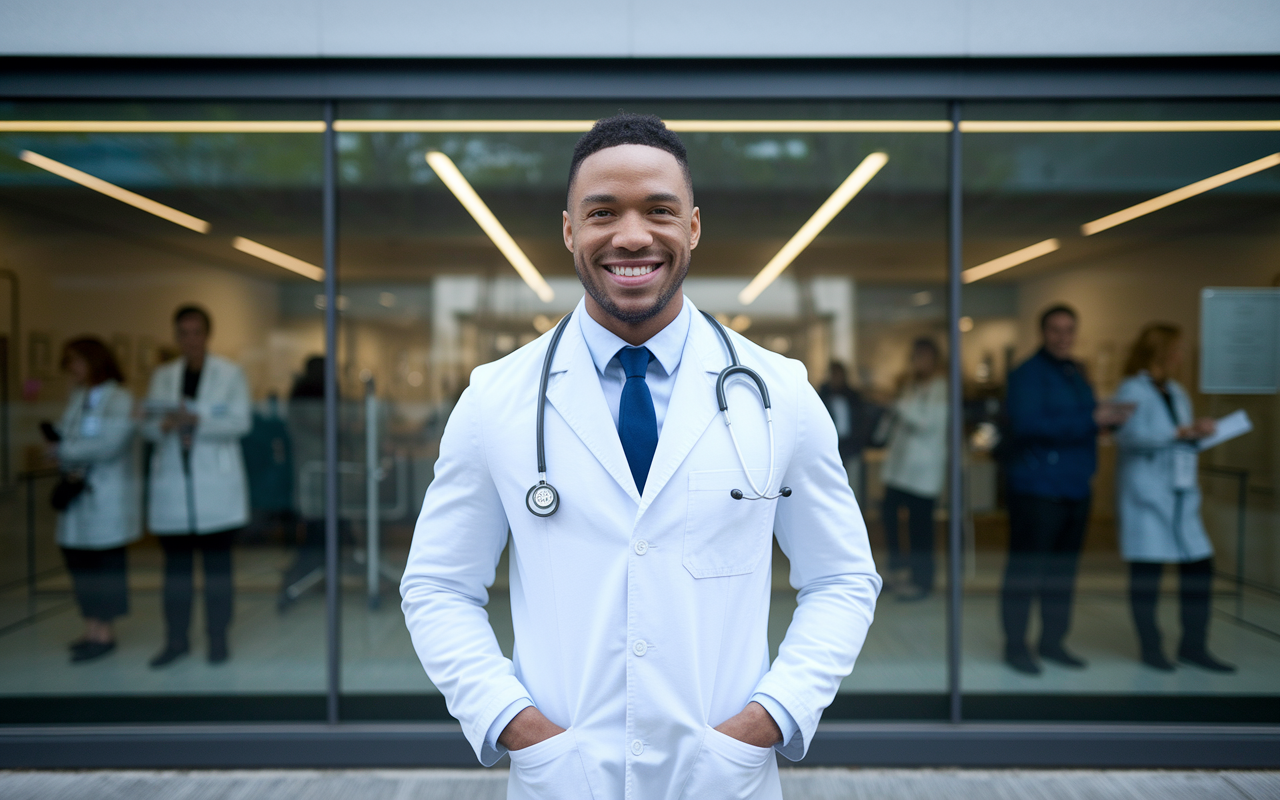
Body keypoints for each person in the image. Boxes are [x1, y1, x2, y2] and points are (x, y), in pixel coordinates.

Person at [400, 114, 880, 800]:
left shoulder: (780, 393)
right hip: (565, 773)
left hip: (720, 773)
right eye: (602, 212)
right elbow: (438, 586)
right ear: (569, 230)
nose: (631, 235)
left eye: (659, 210)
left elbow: (841, 578)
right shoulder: (494, 399)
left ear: (692, 227)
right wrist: (511, 721)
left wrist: (772, 716)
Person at [1000, 305, 1131, 675]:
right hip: (1037, 489)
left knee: (1062, 574)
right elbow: (1027, 424)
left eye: (1069, 330)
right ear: (1043, 332)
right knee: (1026, 572)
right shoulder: (1027, 374)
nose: (1063, 336)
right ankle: (1016, 646)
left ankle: (1053, 642)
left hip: (1075, 487)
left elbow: (1081, 419)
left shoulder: (1076, 372)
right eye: (1056, 330)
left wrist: (1106, 420)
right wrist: (1089, 419)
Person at [1113, 324, 1234, 673]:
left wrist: (1198, 432)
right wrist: (1177, 432)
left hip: (1180, 497)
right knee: (1146, 576)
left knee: (1199, 570)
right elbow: (1127, 436)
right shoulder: (1130, 389)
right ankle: (1151, 648)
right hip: (1146, 497)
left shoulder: (1178, 392)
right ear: (1161, 351)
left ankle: (1193, 646)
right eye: (1178, 349)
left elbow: (1177, 436)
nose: (1182, 356)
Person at [142, 305, 251, 667]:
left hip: (215, 487)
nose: (190, 340)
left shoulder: (229, 374)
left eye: (196, 332)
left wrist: (197, 420)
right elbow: (145, 427)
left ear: (207, 335)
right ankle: (176, 641)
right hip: (174, 487)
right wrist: (164, 426)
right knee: (176, 574)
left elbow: (240, 422)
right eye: (183, 333)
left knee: (218, 573)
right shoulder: (163, 376)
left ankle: (217, 639)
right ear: (176, 337)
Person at [50, 338, 140, 663]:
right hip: (78, 497)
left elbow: (108, 445)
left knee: (105, 568)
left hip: (105, 496)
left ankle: (105, 633)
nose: (72, 369)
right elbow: (68, 435)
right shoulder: (78, 397)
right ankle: (90, 628)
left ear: (94, 360)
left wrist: (65, 451)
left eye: (75, 361)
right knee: (81, 566)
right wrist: (60, 447)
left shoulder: (120, 398)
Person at [880, 338, 948, 601]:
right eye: (915, 356)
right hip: (899, 469)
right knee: (891, 520)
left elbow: (926, 423)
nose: (918, 362)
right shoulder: (910, 387)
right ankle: (898, 570)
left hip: (923, 472)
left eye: (924, 356)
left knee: (921, 530)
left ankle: (922, 581)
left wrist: (896, 404)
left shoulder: (942, 389)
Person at [818, 360, 875, 502]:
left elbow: (862, 421)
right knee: (828, 488)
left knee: (854, 488)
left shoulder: (853, 397)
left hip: (852, 447)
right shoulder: (821, 397)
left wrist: (860, 441)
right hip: (829, 449)